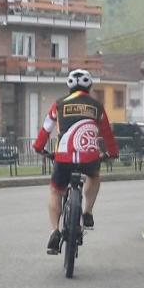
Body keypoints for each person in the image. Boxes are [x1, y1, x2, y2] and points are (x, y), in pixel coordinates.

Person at [33, 68, 119, 254]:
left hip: (63, 157)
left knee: (56, 191)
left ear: (69, 86)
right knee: (94, 177)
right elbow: (107, 134)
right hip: (89, 157)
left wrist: (39, 148)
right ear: (89, 86)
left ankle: (55, 232)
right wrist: (112, 153)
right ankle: (87, 213)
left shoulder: (58, 105)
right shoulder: (97, 107)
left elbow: (45, 130)